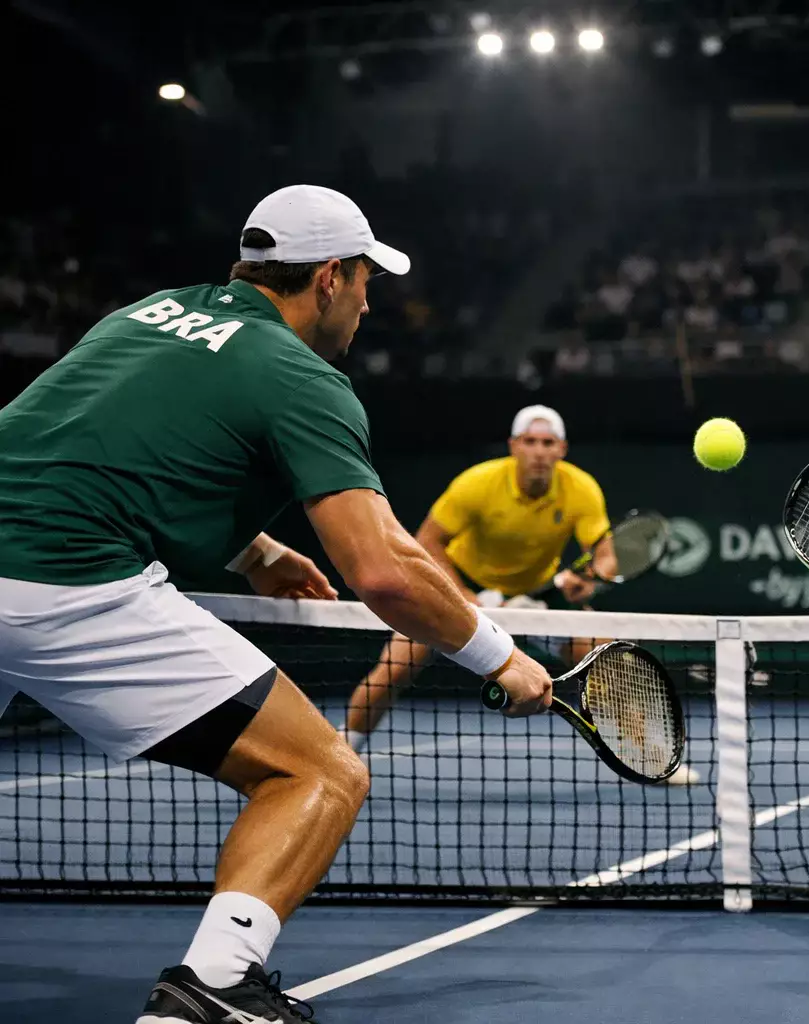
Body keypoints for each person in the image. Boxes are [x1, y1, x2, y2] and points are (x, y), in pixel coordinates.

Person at [0, 184, 554, 1024]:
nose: (371, 300)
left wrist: (254, 551)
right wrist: (501, 657)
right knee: (319, 769)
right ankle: (216, 982)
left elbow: (92, 448)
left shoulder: (151, 313)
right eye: (367, 278)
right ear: (329, 277)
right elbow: (385, 572)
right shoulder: (303, 377)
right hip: (62, 579)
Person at [342, 405, 703, 785]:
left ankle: (652, 757)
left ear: (561, 448)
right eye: (530, 441)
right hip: (460, 591)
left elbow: (606, 556)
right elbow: (428, 543)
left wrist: (593, 581)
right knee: (395, 667)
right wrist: (464, 597)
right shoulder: (477, 483)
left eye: (548, 443)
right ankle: (345, 749)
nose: (539, 451)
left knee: (610, 661)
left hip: (534, 601)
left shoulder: (580, 488)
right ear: (514, 446)